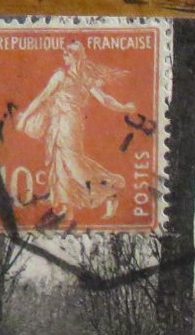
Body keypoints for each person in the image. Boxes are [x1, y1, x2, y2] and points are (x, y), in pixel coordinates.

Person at [15, 41, 136, 223]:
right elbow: (41, 98)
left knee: (74, 164)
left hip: (71, 124)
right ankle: (66, 208)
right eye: (64, 52)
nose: (64, 55)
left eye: (68, 53)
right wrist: (24, 119)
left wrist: (124, 107)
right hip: (56, 124)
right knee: (59, 165)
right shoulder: (59, 76)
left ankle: (109, 192)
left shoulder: (84, 77)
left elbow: (104, 99)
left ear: (77, 56)